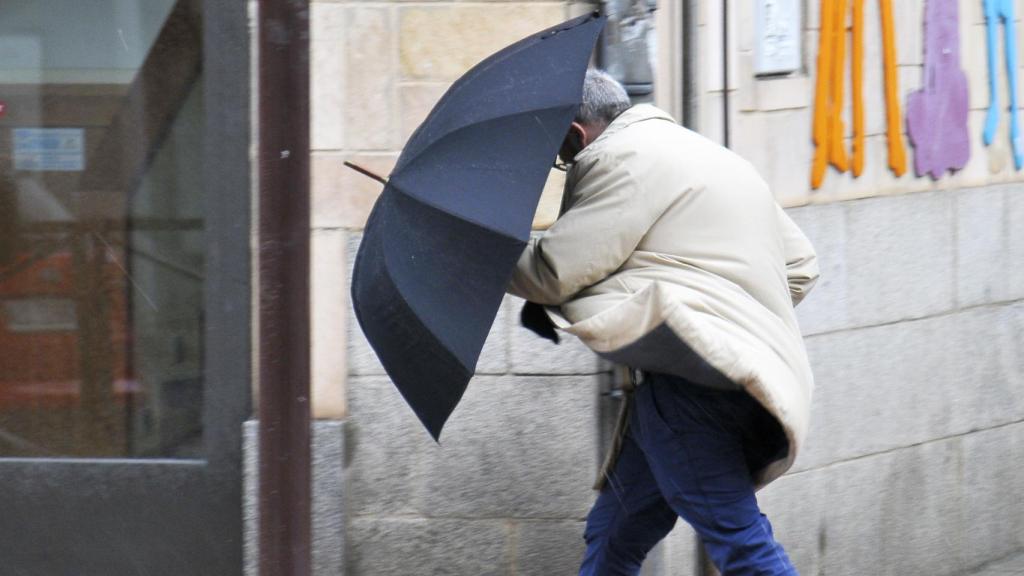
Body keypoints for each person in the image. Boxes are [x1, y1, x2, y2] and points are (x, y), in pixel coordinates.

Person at [506, 69, 819, 576]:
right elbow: (801, 265)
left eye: (562, 154)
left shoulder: (618, 159)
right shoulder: (707, 154)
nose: (565, 163)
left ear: (576, 134)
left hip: (691, 391)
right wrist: (731, 322)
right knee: (613, 535)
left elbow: (554, 272)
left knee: (743, 547)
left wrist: (480, 252)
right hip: (742, 380)